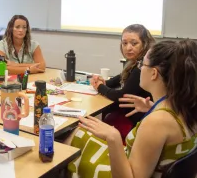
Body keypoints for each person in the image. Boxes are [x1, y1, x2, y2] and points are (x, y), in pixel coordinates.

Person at [68, 40, 197, 178]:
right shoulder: (184, 107)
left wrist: (114, 137)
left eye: (142, 64)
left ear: (154, 73)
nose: (139, 68)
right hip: (136, 162)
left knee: (73, 138)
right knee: (79, 133)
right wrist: (153, 107)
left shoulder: (157, 122)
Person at [91, 24, 155, 139]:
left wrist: (100, 87)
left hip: (136, 122)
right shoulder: (133, 62)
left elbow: (122, 96)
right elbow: (120, 78)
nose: (128, 48)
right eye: (124, 43)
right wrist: (104, 82)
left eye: (134, 43)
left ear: (145, 44)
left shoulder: (142, 67)